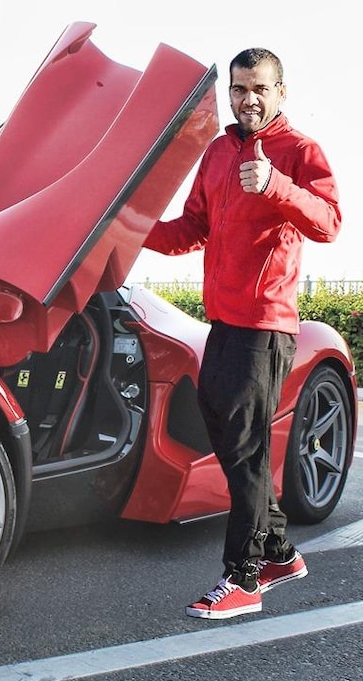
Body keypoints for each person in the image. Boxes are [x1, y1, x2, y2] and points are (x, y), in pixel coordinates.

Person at [143, 47, 341, 619]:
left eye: (259, 88)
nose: (248, 99)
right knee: (234, 441)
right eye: (238, 89)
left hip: (266, 323)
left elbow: (329, 223)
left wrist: (277, 185)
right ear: (229, 93)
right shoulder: (218, 152)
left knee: (245, 444)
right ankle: (279, 550)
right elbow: (192, 229)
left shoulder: (299, 151)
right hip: (223, 321)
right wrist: (131, 230)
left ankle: (245, 577)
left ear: (281, 92)